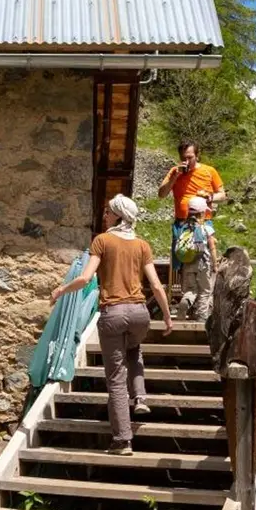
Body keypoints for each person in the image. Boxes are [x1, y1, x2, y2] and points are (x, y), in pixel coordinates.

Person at [50, 194, 172, 455]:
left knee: (116, 379)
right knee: (134, 349)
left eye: (107, 212)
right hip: (140, 313)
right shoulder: (142, 245)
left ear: (117, 215)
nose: (104, 216)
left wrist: (61, 290)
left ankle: (122, 440)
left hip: (113, 313)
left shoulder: (102, 241)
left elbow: (85, 279)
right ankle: (140, 396)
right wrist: (168, 316)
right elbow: (156, 285)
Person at [158, 141, 225, 293]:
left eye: (190, 157)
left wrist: (210, 198)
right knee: (182, 259)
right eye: (184, 157)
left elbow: (222, 195)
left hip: (203, 222)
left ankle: (203, 295)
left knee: (203, 259)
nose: (187, 161)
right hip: (181, 223)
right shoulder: (174, 171)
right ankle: (185, 295)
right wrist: (175, 177)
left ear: (197, 155)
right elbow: (161, 194)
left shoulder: (209, 171)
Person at [174, 195, 217, 321]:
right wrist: (215, 264)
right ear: (202, 213)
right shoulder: (207, 228)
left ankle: (185, 302)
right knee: (205, 291)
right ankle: (202, 318)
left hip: (188, 263)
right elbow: (212, 248)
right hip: (203, 264)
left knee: (191, 289)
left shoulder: (184, 228)